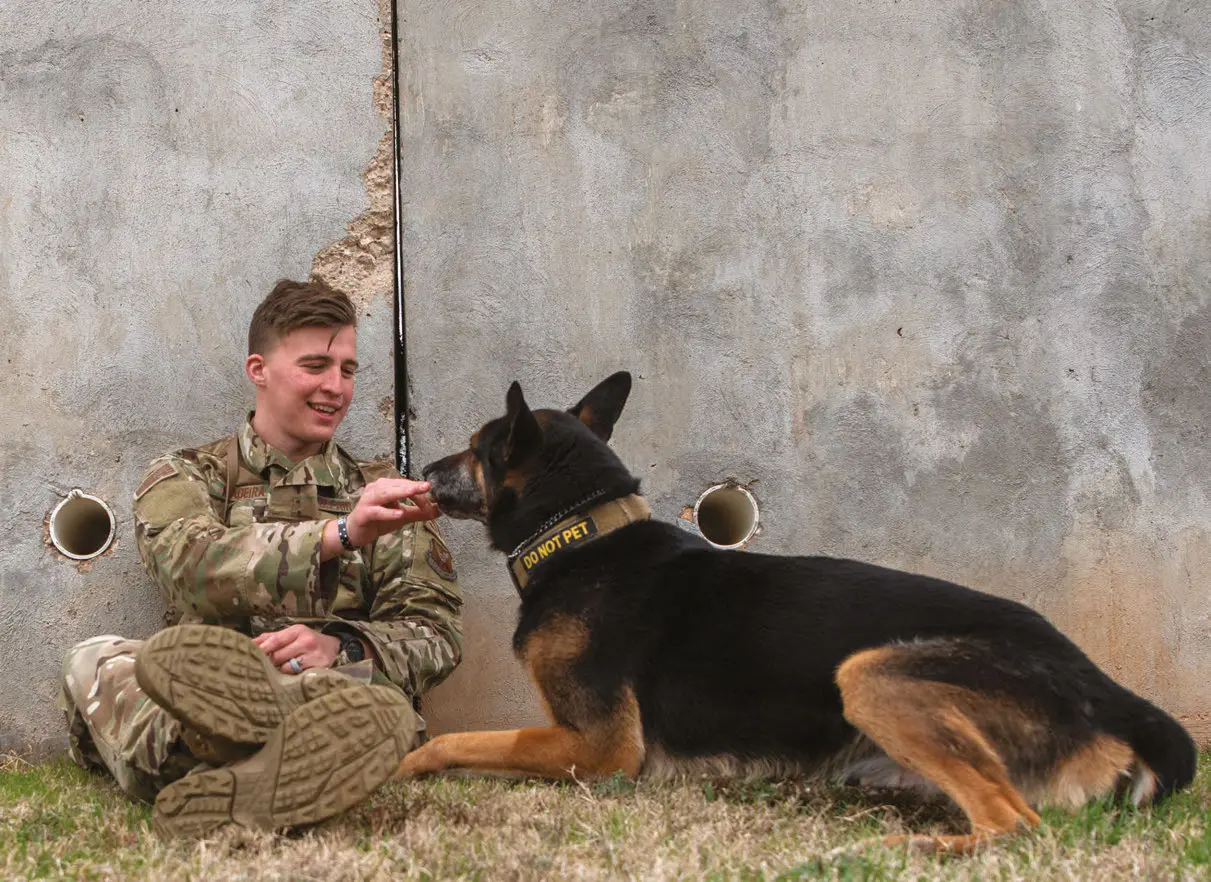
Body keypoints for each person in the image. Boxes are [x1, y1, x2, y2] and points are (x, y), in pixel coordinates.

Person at [57, 278, 462, 837]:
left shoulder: (384, 490)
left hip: (331, 691)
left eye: (347, 370)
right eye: (315, 365)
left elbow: (435, 632)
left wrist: (342, 645)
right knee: (94, 657)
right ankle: (231, 745)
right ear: (258, 370)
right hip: (205, 692)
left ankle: (220, 759)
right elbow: (191, 570)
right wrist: (339, 533)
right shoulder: (183, 474)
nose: (335, 387)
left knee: (351, 703)